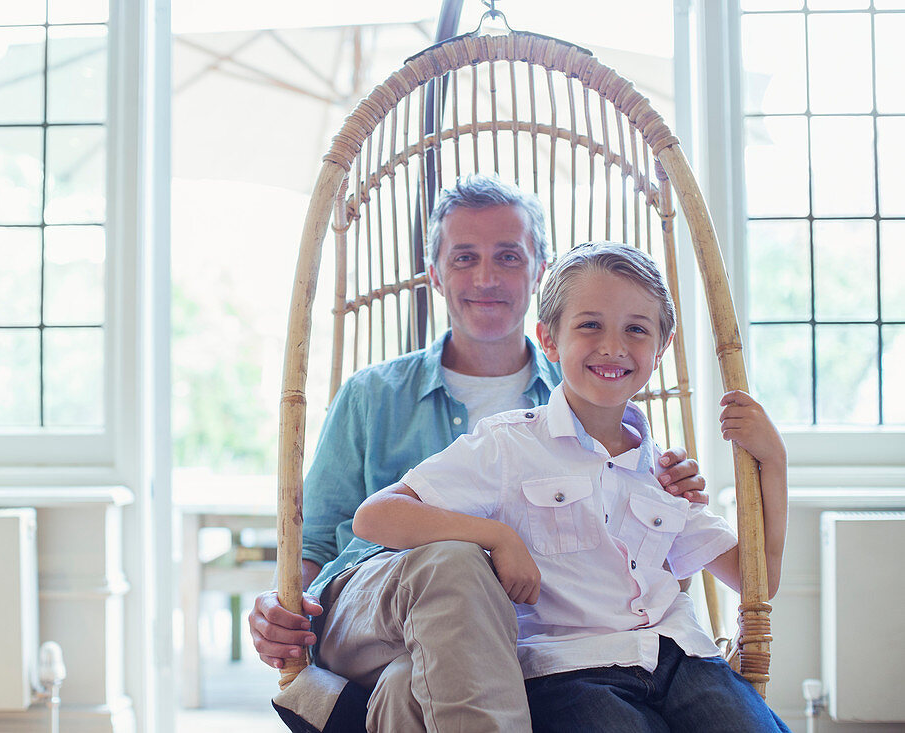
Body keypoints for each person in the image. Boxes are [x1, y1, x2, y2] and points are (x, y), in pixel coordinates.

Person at [253, 175, 707, 731]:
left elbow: (643, 562)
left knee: (407, 689)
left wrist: (673, 496)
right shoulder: (372, 395)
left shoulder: (594, 396)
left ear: (540, 271)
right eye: (464, 258)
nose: (486, 278)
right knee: (456, 560)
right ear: (435, 275)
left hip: (513, 639)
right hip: (367, 612)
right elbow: (317, 541)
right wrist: (277, 603)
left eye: (509, 257)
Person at [353, 242, 790, 732]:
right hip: (568, 671)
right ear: (550, 340)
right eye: (590, 325)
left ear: (661, 349)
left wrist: (773, 463)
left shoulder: (665, 471)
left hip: (684, 659)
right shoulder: (508, 445)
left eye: (637, 330)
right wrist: (498, 537)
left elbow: (758, 582)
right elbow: (376, 515)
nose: (613, 346)